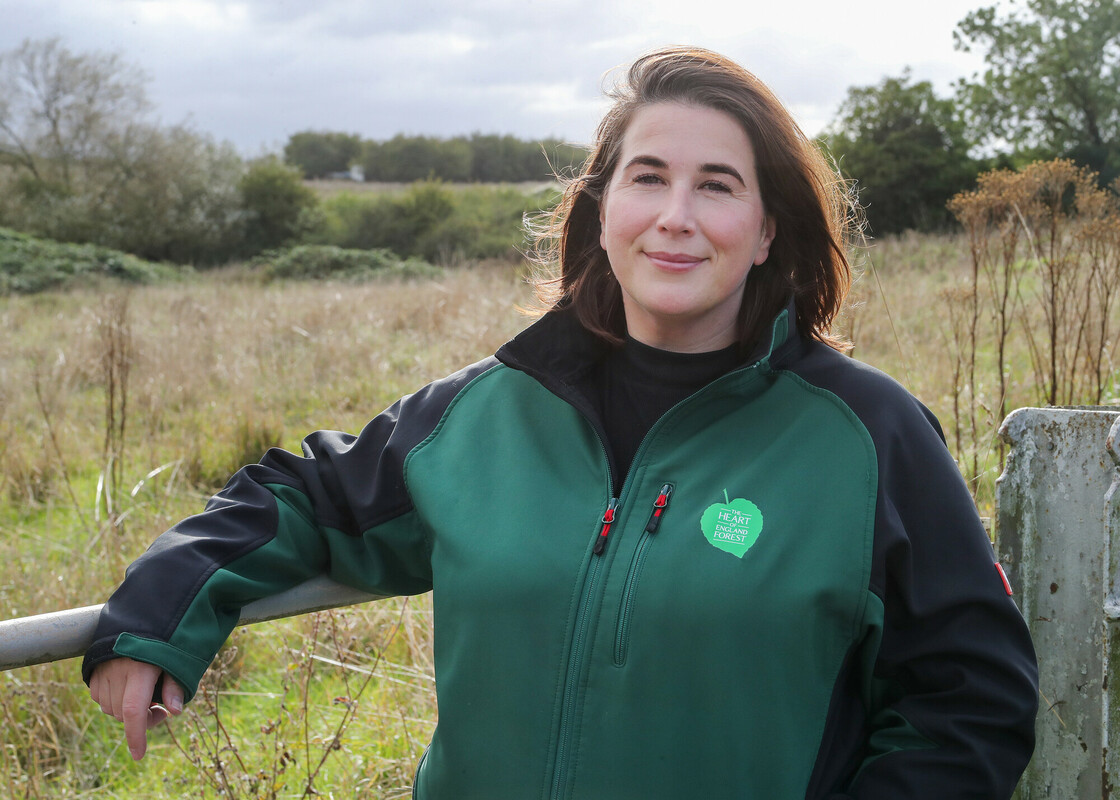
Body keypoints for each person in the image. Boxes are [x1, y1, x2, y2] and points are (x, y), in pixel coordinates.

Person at [84, 46, 1038, 798]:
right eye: (648, 177)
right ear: (603, 206)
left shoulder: (868, 438)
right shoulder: (485, 413)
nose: (675, 215)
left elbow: (973, 700)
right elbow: (308, 492)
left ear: (767, 230)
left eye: (716, 185)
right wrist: (159, 612)